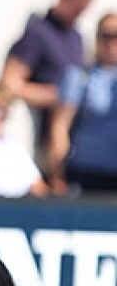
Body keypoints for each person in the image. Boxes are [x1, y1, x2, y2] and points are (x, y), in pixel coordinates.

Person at [0, 0, 95, 172]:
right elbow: (9, 84)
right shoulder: (38, 34)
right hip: (42, 135)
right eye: (77, 7)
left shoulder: (76, 37)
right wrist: (56, 95)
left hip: (72, 138)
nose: (79, 15)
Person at [47, 12, 117, 195]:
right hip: (87, 172)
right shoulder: (80, 77)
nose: (111, 43)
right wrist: (56, 175)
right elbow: (60, 126)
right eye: (106, 35)